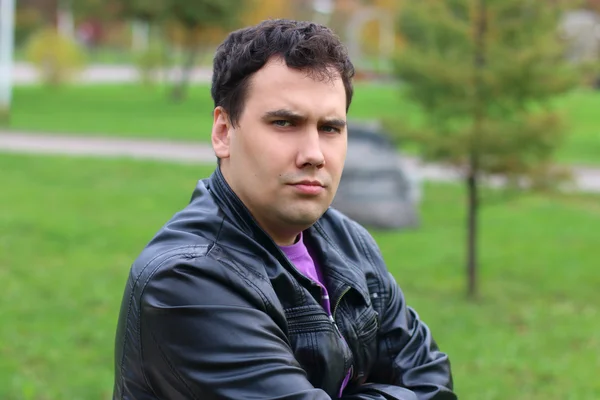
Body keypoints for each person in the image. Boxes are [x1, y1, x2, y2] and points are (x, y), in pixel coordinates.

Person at [113, 19, 456, 400]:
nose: (313, 154)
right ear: (224, 132)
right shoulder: (185, 280)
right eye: (284, 122)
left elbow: (434, 384)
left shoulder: (349, 243)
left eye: (330, 129)